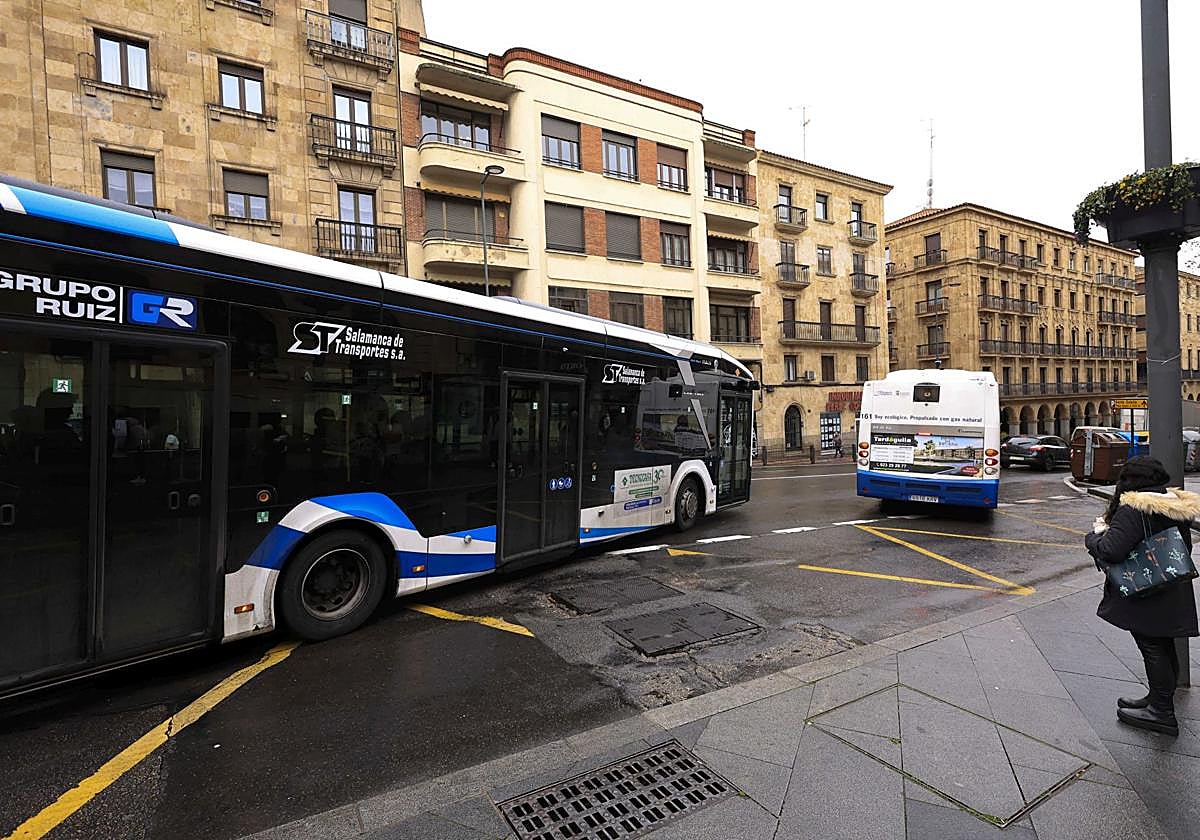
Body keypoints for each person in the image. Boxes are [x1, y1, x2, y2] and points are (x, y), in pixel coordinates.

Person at [1085, 456, 1200, 736]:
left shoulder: (1135, 508)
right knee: (1163, 644)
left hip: (1146, 590)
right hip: (1170, 585)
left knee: (1152, 646)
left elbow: (1112, 550)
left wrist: (1093, 537)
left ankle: (1161, 713)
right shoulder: (1172, 504)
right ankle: (1159, 699)